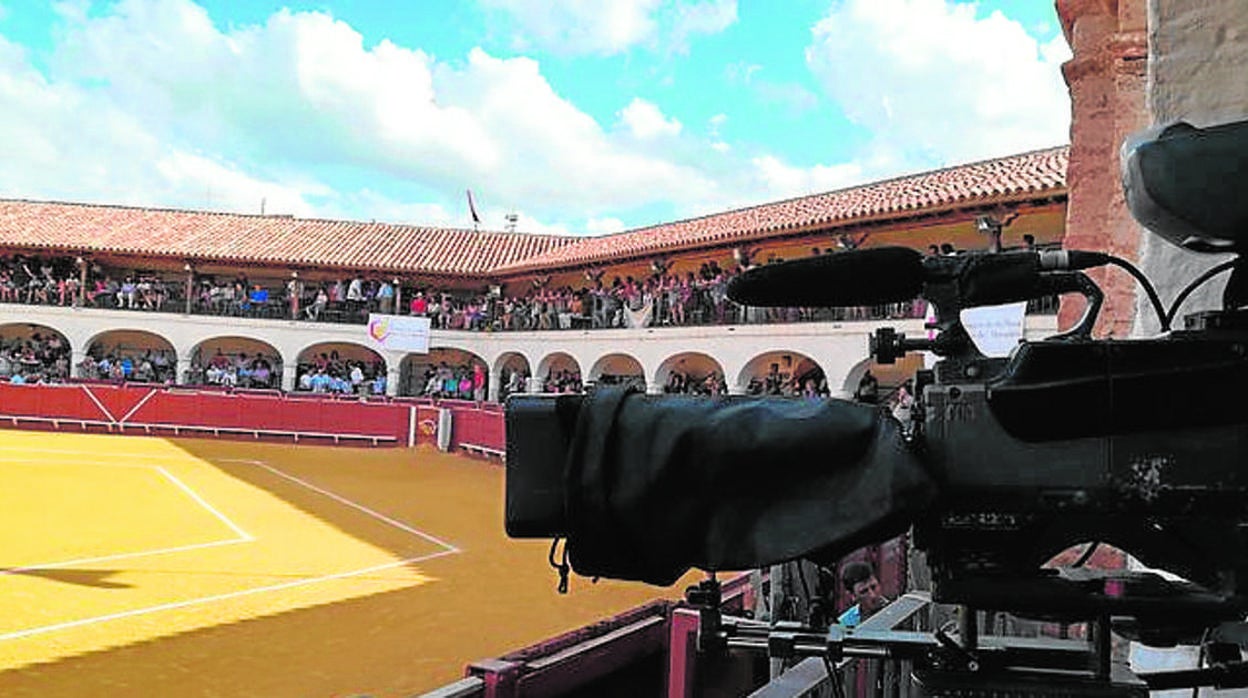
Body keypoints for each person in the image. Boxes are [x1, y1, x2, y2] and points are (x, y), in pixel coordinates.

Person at [837, 561, 888, 627]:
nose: (873, 595)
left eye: (874, 587)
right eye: (864, 592)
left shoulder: (897, 611)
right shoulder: (845, 623)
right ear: (853, 596)